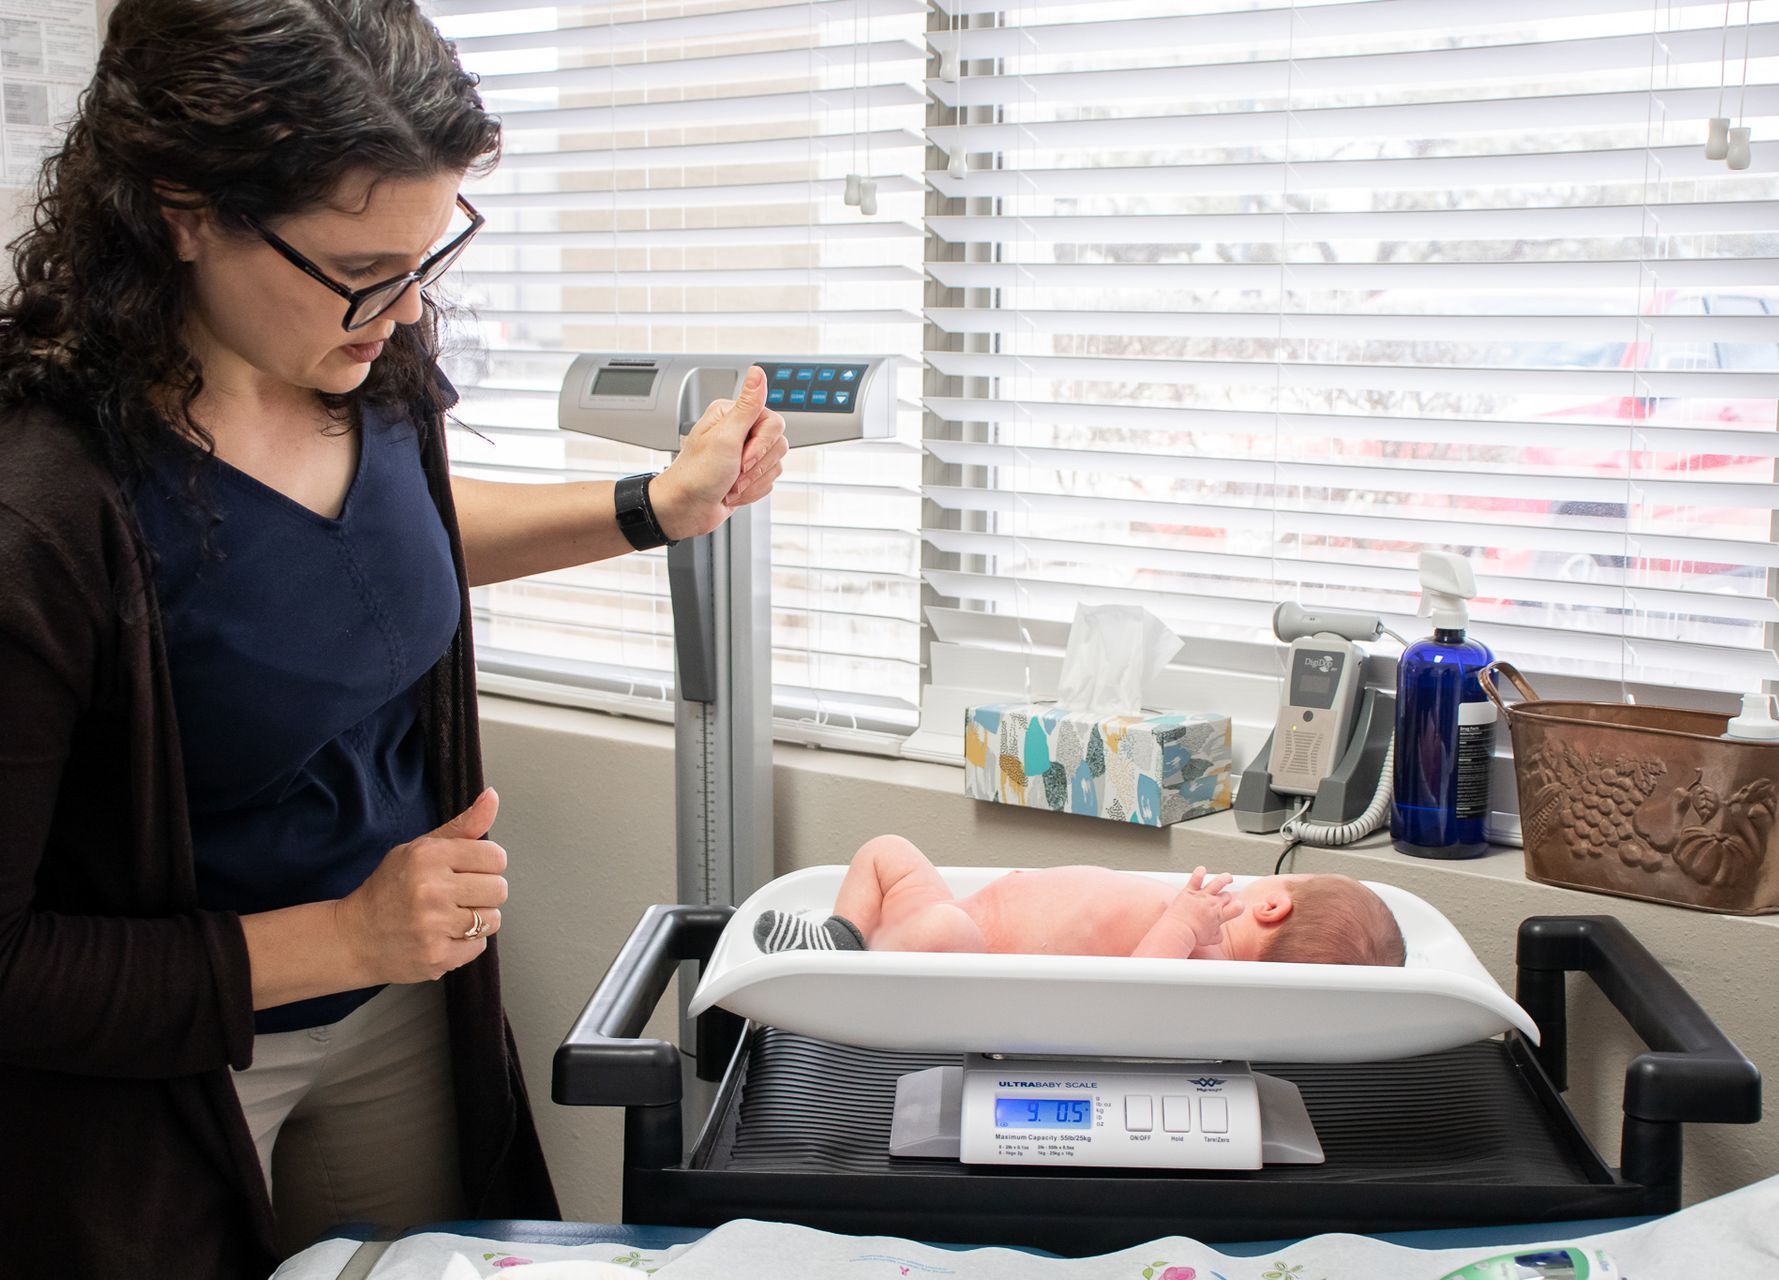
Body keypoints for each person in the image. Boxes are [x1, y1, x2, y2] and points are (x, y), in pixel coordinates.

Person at [0, 1, 787, 1274]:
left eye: (430, 258)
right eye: (365, 271)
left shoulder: (365, 362)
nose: (408, 308)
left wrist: (657, 507)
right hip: (161, 1061)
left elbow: (378, 544)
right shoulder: (38, 508)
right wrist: (344, 936)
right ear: (184, 208)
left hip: (400, 1001)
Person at [754, 835, 1406, 967]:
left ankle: (848, 960)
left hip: (962, 945)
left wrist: (1182, 921)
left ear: (1272, 908)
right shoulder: (1201, 923)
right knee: (887, 850)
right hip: (962, 911)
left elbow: (1138, 984)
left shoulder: (1204, 948)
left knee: (945, 931)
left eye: (1279, 885)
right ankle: (841, 934)